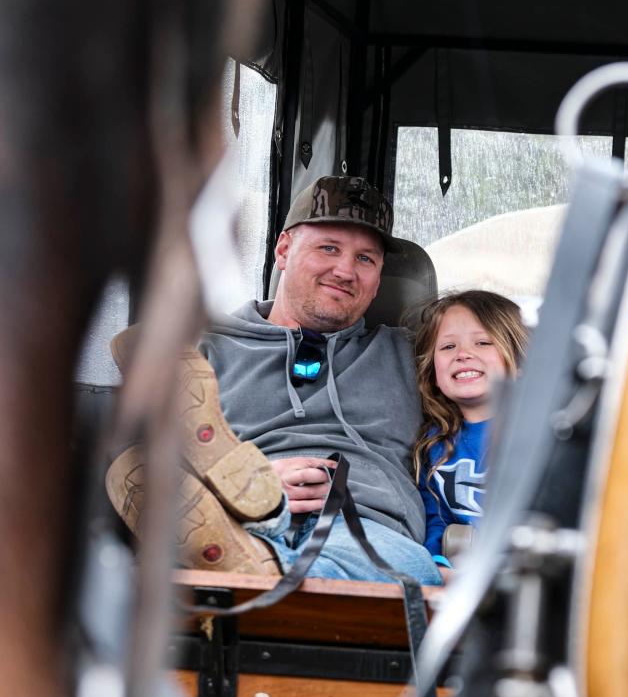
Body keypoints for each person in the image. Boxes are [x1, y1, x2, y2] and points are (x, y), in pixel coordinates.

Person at [108, 175, 443, 586]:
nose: (345, 270)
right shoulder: (205, 349)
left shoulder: (417, 355)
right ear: (283, 250)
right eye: (329, 248)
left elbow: (491, 392)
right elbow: (133, 467)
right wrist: (258, 485)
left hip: (361, 525)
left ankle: (251, 571)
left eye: (365, 259)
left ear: (377, 281)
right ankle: (242, 519)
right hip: (231, 519)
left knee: (412, 570)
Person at [412, 290, 527, 574]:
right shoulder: (434, 447)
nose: (464, 354)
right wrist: (438, 565)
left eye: (483, 342)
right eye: (448, 347)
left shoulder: (544, 434)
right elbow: (435, 521)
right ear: (432, 372)